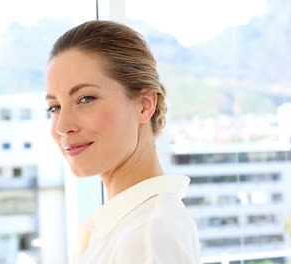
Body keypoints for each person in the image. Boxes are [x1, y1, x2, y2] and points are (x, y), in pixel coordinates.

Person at [45, 20, 201, 264]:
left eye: (86, 98)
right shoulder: (130, 226)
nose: (62, 126)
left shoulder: (148, 235)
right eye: (54, 107)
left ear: (144, 105)